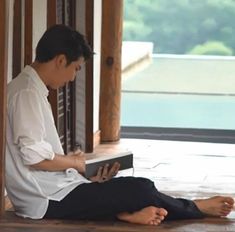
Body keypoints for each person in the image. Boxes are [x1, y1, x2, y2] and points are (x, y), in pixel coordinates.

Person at [6, 24, 234, 226]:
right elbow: (35, 158)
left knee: (120, 185)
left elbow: (38, 155)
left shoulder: (29, 89)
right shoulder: (26, 93)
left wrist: (82, 170)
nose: (73, 78)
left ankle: (126, 213)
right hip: (47, 200)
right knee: (140, 188)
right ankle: (195, 207)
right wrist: (78, 164)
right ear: (61, 60)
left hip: (56, 190)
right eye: (76, 68)